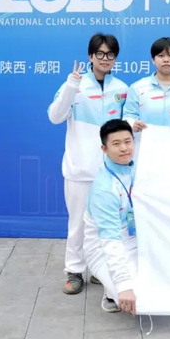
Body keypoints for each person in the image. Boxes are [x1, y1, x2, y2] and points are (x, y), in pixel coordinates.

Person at [47, 33, 128, 295]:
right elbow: (55, 117)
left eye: (110, 54)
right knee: (78, 224)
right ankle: (74, 270)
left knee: (110, 224)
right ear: (90, 56)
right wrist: (71, 85)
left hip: (111, 172)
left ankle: (98, 269)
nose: (105, 59)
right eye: (100, 54)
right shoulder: (75, 84)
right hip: (79, 170)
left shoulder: (122, 89)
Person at [83, 120, 138, 315]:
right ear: (104, 149)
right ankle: (111, 292)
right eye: (116, 144)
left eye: (128, 141)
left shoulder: (137, 169)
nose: (124, 148)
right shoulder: (104, 190)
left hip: (136, 239)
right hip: (104, 247)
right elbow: (110, 241)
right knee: (139, 300)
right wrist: (124, 285)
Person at [123, 37, 170, 135]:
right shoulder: (138, 88)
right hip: (146, 142)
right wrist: (132, 124)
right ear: (153, 60)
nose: (166, 60)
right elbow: (128, 116)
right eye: (161, 56)